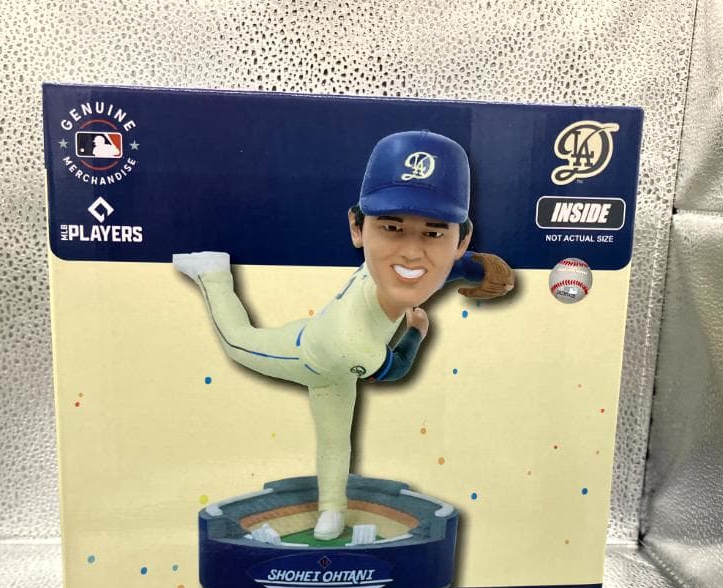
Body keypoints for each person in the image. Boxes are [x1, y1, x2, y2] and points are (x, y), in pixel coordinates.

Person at [174, 130, 514, 539]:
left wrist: (480, 269)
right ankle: (212, 272)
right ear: (358, 227)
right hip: (312, 356)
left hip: (334, 352)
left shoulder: (407, 265)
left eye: (434, 232)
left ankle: (331, 512)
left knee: (335, 443)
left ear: (461, 239)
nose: (411, 252)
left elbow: (441, 268)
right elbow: (396, 369)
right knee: (237, 342)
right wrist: (417, 332)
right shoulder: (354, 339)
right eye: (391, 227)